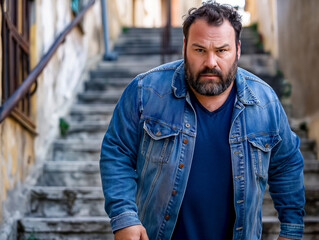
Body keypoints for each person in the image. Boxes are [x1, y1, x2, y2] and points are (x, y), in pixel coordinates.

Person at [100, 2, 305, 240]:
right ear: (185, 47)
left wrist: (291, 229)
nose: (210, 62)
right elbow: (117, 151)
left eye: (221, 50)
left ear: (237, 50)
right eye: (199, 50)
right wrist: (124, 217)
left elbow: (287, 163)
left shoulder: (265, 103)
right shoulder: (145, 92)